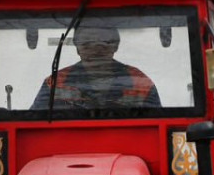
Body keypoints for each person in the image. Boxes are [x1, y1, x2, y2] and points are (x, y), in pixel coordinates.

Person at [31, 24, 160, 110]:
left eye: (104, 43)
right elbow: (33, 124)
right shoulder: (55, 83)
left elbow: (159, 124)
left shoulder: (140, 84)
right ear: (77, 47)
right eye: (87, 43)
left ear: (116, 46)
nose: (96, 50)